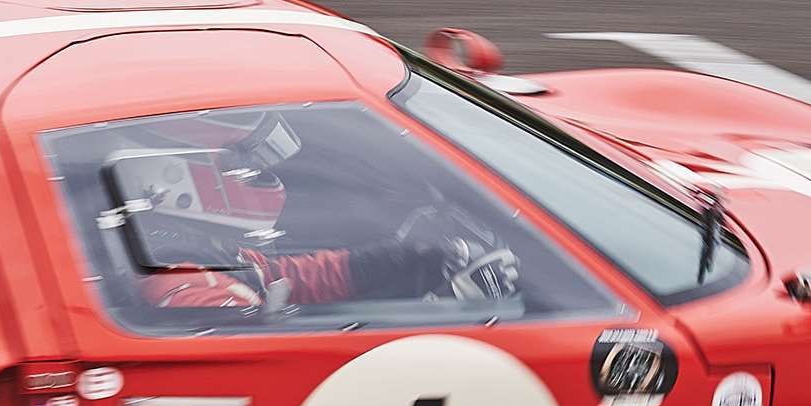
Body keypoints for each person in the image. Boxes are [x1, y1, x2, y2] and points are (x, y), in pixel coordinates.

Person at [105, 112, 519, 313]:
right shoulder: (183, 289)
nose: (266, 180)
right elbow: (287, 350)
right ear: (173, 180)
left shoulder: (192, 255)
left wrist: (395, 260)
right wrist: (438, 308)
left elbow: (281, 278)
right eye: (248, 166)